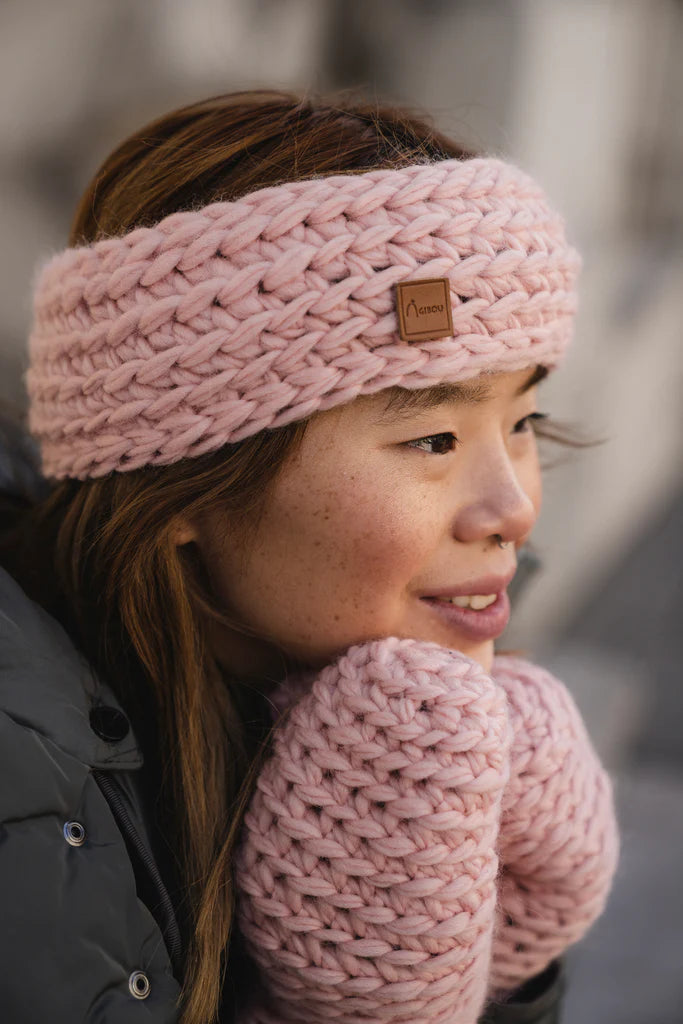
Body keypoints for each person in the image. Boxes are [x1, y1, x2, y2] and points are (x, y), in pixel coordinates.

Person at [0, 91, 619, 1024]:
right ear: (188, 484)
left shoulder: (408, 717)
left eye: (522, 421)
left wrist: (507, 956)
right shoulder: (24, 823)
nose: (515, 509)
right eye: (433, 439)